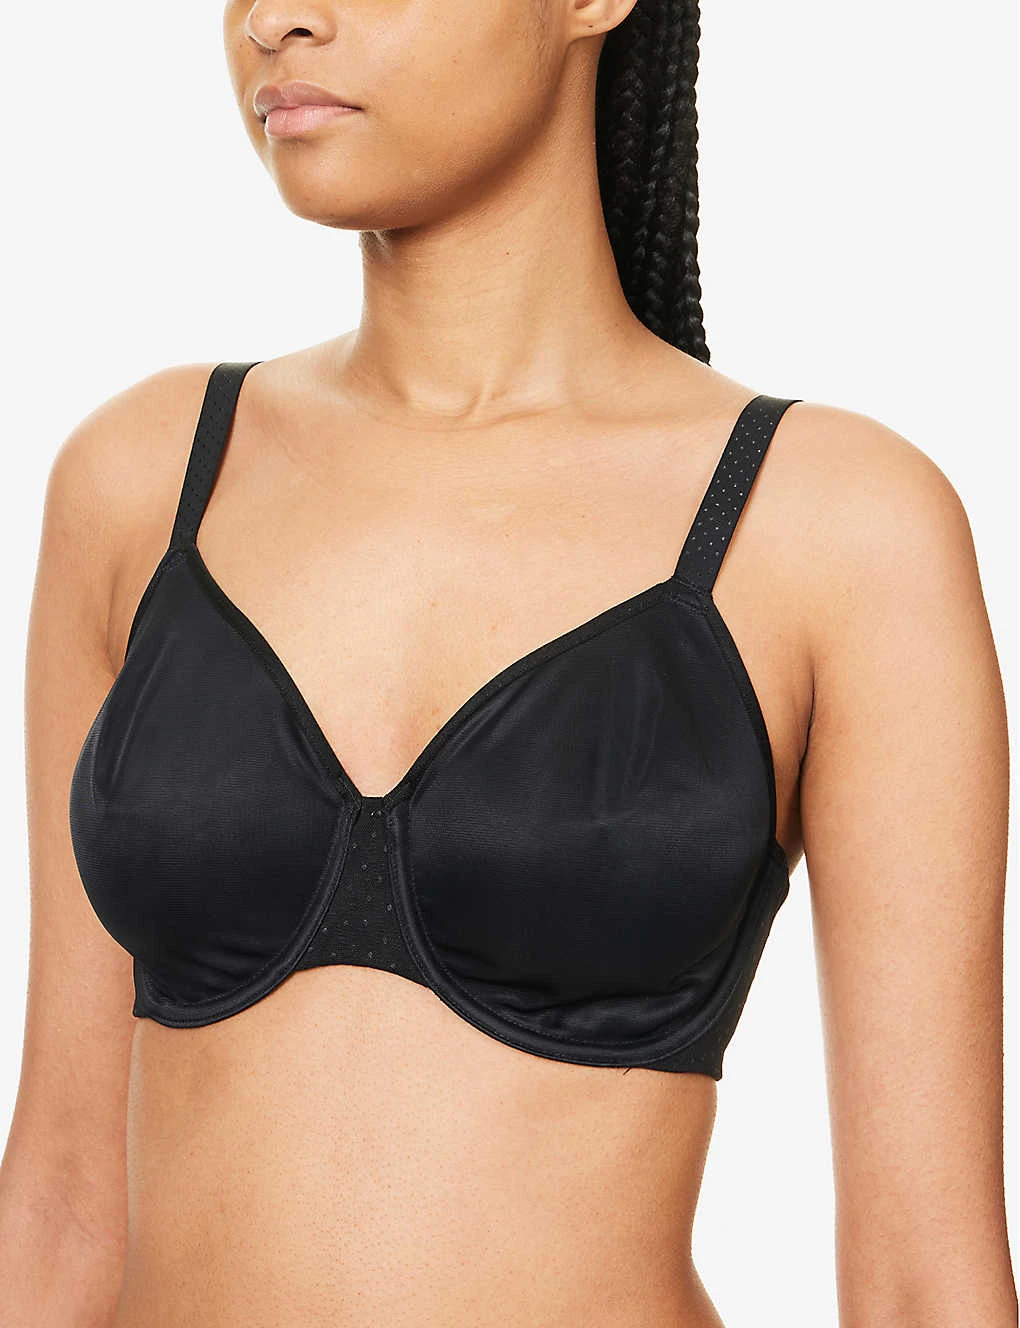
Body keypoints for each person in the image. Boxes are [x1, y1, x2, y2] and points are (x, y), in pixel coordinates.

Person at [0, 0, 1015, 1324]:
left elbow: (923, 1275)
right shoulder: (143, 480)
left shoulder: (833, 525)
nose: (277, 19)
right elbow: (63, 1199)